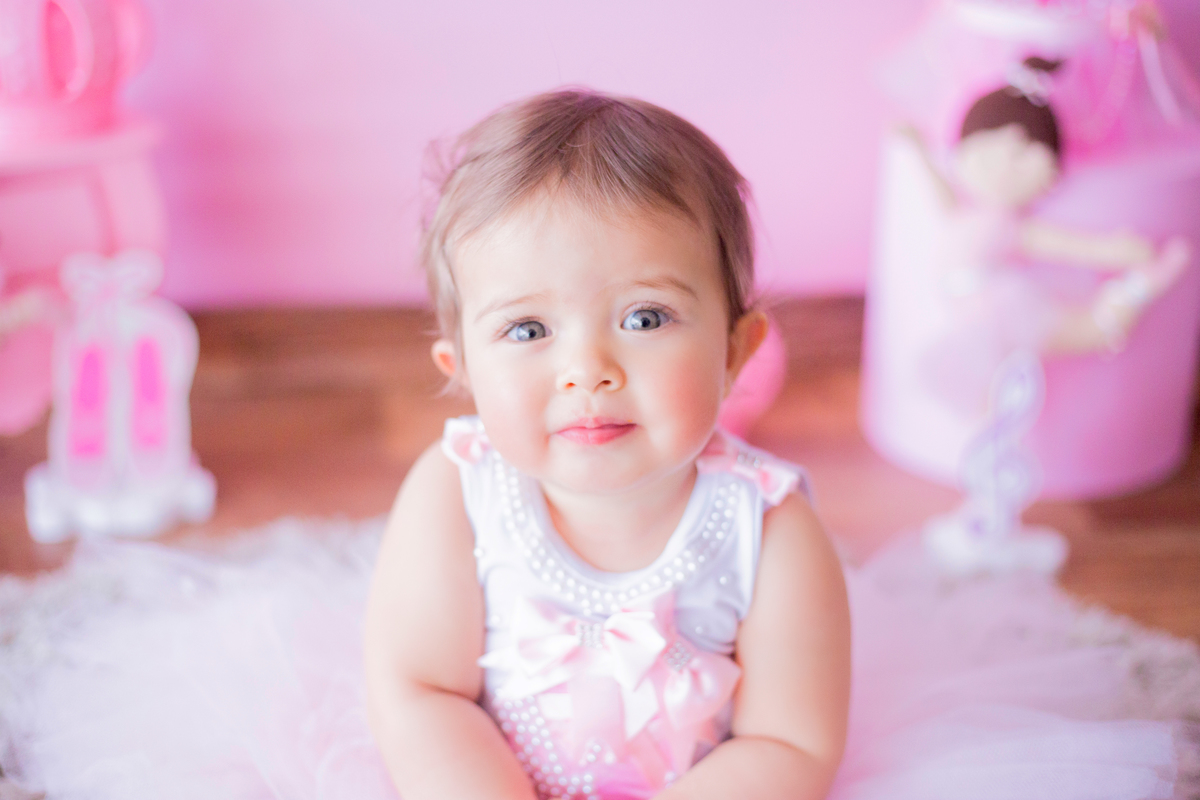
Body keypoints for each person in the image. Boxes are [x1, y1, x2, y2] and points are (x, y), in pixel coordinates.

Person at [362, 88, 852, 800]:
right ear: (461, 368)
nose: (588, 370)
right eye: (528, 331)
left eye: (646, 317)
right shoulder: (455, 493)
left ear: (736, 351)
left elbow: (792, 744)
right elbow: (421, 693)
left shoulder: (770, 528)